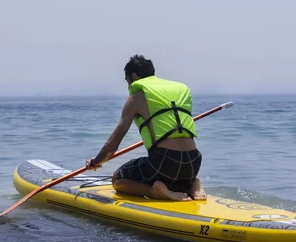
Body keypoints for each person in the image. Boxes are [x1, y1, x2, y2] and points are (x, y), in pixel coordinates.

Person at [85, 55, 206, 201]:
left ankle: (155, 191)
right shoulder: (179, 91)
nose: (128, 87)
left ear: (134, 77)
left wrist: (95, 162)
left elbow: (112, 145)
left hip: (165, 162)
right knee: (174, 175)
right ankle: (192, 183)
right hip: (194, 162)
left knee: (118, 180)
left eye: (127, 81)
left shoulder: (136, 98)